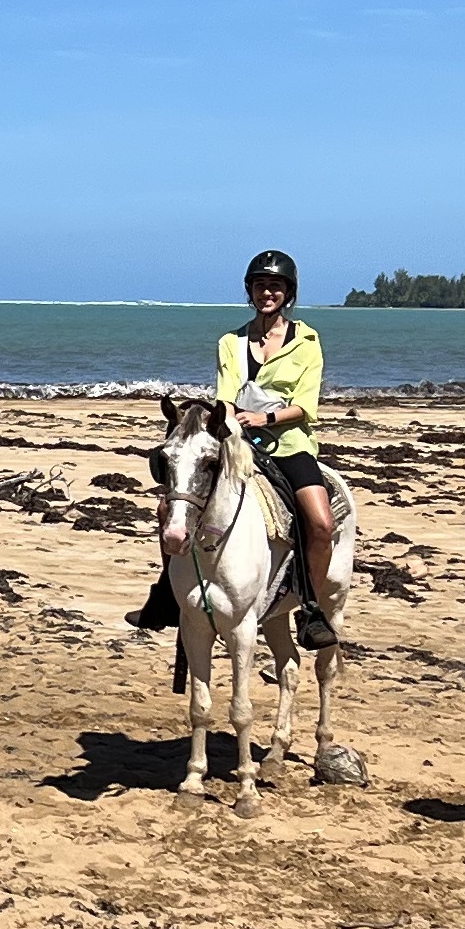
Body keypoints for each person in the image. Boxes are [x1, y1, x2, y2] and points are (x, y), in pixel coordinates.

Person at [129, 248, 340, 647]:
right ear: (250, 291)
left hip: (290, 444)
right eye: (260, 286)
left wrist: (264, 419)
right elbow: (224, 397)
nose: (267, 293)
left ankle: (312, 610)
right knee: (169, 507)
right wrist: (226, 421)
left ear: (288, 294)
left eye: (275, 287)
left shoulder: (308, 342)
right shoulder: (231, 342)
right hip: (237, 442)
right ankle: (167, 596)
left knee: (321, 523)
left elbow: (306, 406)